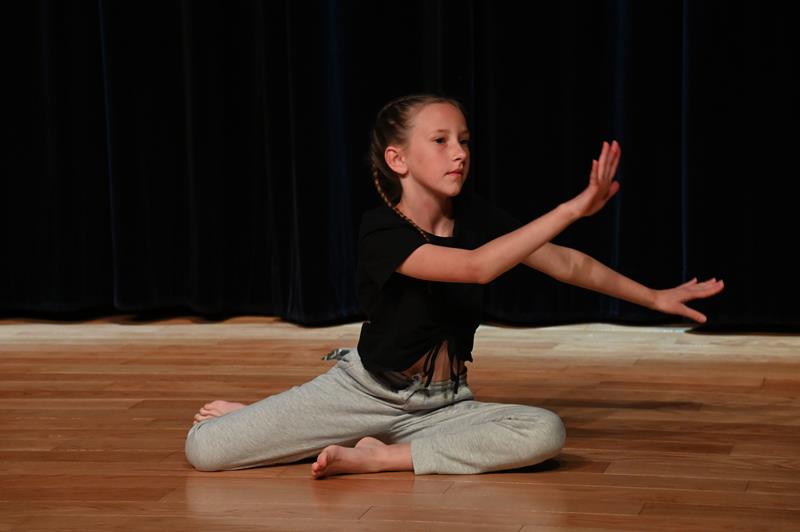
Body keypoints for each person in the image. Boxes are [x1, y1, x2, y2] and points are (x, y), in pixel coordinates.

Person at [184, 93, 724, 479]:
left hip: (444, 405)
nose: (459, 153)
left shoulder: (475, 217)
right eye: (440, 141)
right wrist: (572, 208)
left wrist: (656, 297)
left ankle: (382, 457)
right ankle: (273, 419)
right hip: (367, 391)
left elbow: (567, 264)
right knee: (204, 448)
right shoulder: (381, 231)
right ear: (397, 159)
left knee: (544, 432)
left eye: (463, 140)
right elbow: (476, 268)